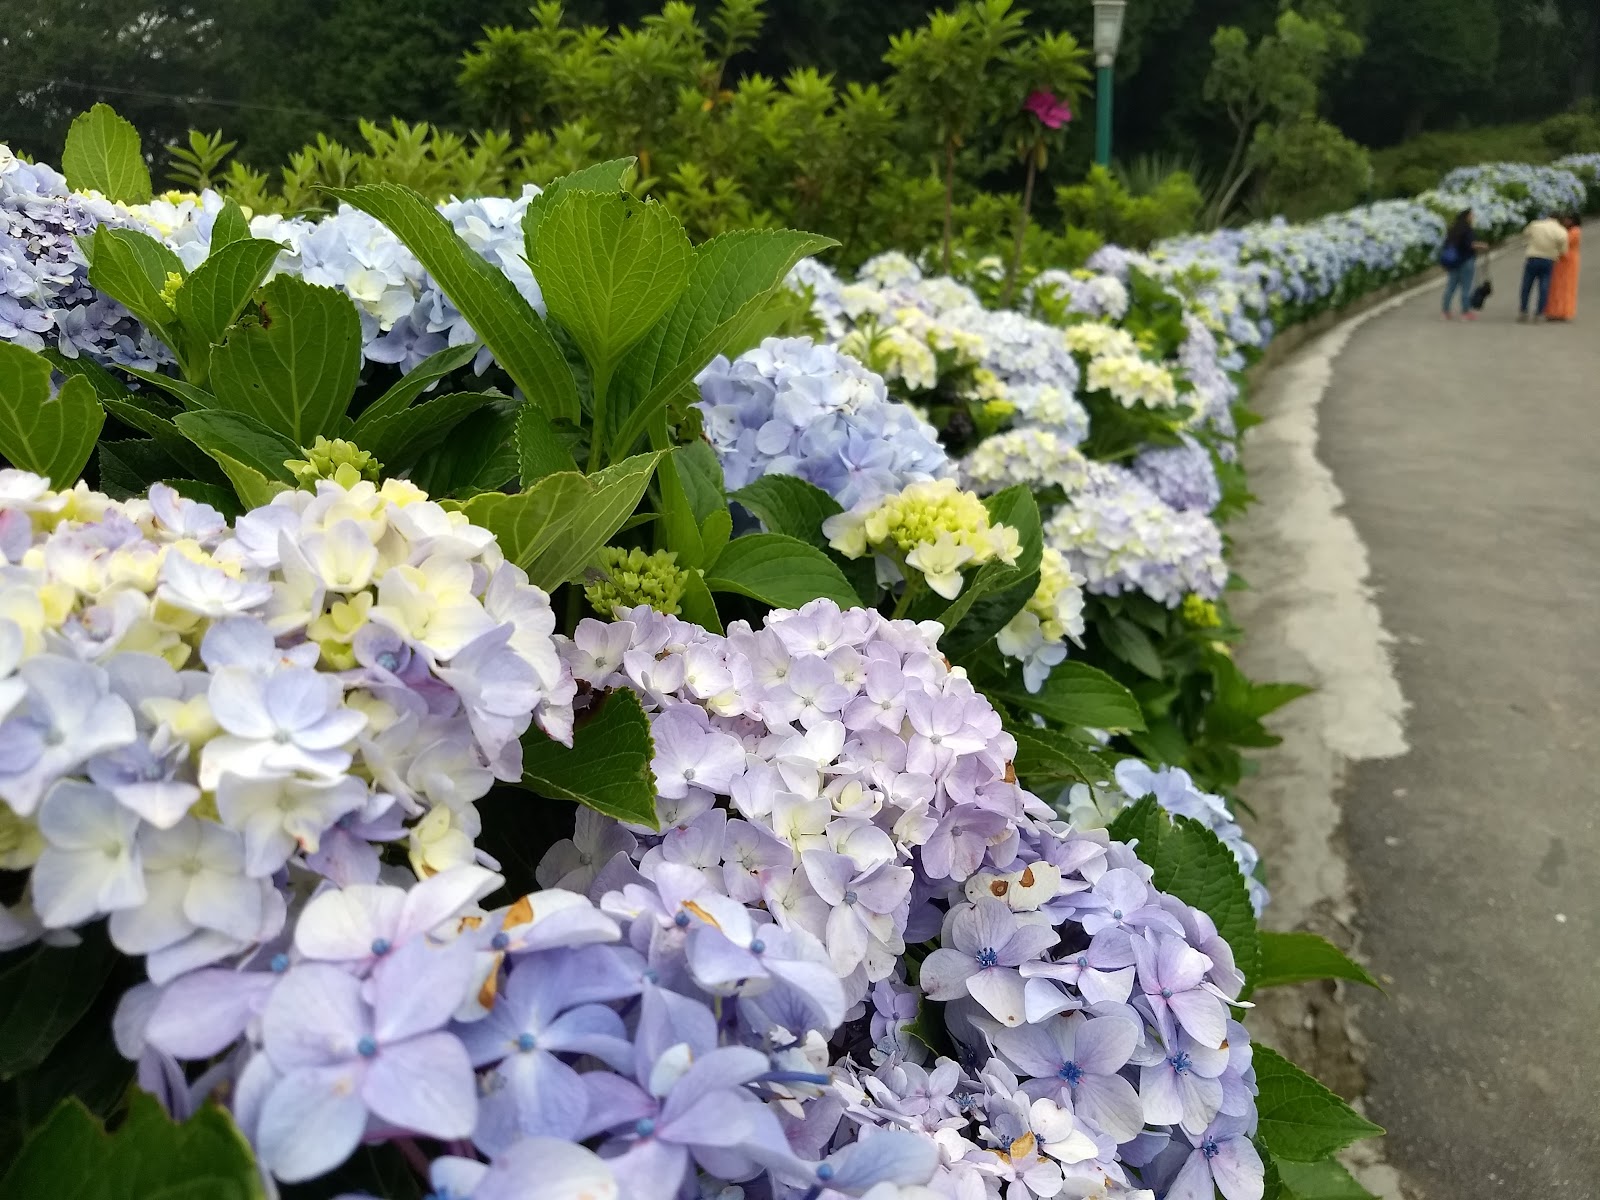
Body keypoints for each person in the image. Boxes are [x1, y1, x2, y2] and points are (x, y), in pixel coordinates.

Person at [1519, 212, 1570, 322]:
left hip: (1533, 256)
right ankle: (1539, 313)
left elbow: (1525, 234)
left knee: (1527, 285)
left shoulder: (1535, 225)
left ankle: (1523, 311)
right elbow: (1564, 251)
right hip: (1548, 259)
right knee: (1544, 286)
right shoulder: (1561, 231)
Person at [1439, 209, 1488, 320]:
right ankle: (1465, 313)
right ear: (1467, 217)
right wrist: (1482, 246)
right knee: (1466, 288)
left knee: (1450, 287)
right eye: (1471, 215)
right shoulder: (1467, 229)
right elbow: (1470, 244)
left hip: (1453, 262)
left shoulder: (1452, 229)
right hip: (1466, 261)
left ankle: (1445, 311)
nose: (1473, 217)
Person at [1544, 213, 1583, 322]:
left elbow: (1564, 241)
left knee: (1565, 286)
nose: (1566, 221)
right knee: (1556, 286)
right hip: (1561, 259)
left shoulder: (1575, 231)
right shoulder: (1568, 230)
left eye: (1568, 219)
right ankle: (1554, 311)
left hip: (1568, 260)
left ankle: (1562, 311)